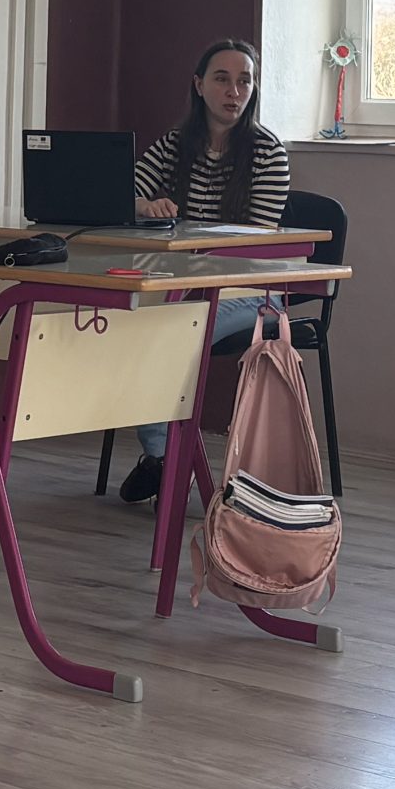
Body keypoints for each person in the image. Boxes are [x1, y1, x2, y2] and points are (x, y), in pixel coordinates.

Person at [114, 38, 291, 504]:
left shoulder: (268, 153)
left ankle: (162, 459)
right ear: (198, 85)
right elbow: (119, 193)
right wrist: (144, 205)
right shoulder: (175, 144)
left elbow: (254, 244)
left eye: (245, 81)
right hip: (182, 284)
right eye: (222, 79)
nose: (234, 91)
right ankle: (163, 459)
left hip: (250, 290)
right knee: (142, 323)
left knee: (171, 330)